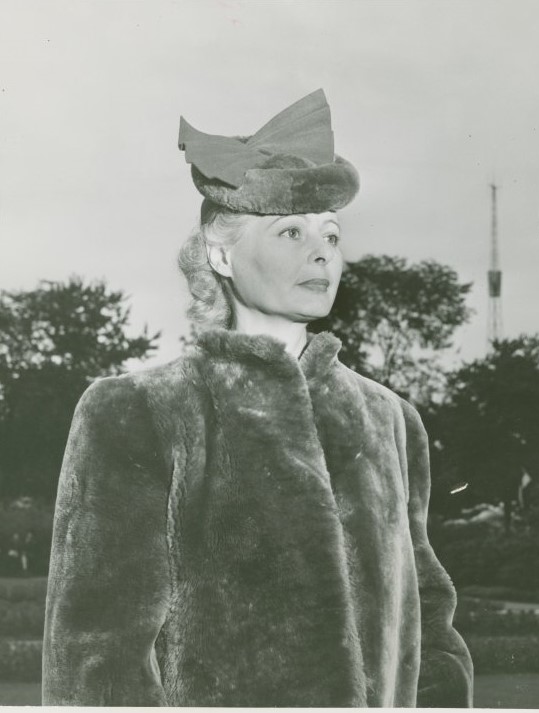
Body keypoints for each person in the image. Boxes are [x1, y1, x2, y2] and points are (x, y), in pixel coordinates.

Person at [42, 89, 473, 707]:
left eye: (331, 233)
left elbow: (432, 621)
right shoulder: (137, 412)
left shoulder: (390, 419)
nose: (321, 250)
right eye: (290, 231)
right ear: (220, 252)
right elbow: (96, 659)